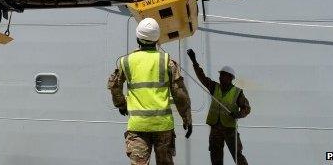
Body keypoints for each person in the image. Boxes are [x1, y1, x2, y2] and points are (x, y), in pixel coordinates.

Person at [108, 18, 192, 165]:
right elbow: (179, 94)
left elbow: (115, 86)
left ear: (137, 38)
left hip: (138, 127)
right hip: (163, 126)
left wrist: (121, 104)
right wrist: (187, 118)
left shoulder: (126, 62)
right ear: (157, 38)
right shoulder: (167, 61)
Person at [187, 49, 251, 165]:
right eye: (220, 75)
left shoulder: (237, 93)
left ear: (230, 78)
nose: (220, 77)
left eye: (223, 75)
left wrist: (237, 114)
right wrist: (194, 61)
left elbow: (247, 109)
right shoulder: (214, 87)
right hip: (215, 128)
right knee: (215, 156)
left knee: (238, 155)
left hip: (229, 129)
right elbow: (202, 78)